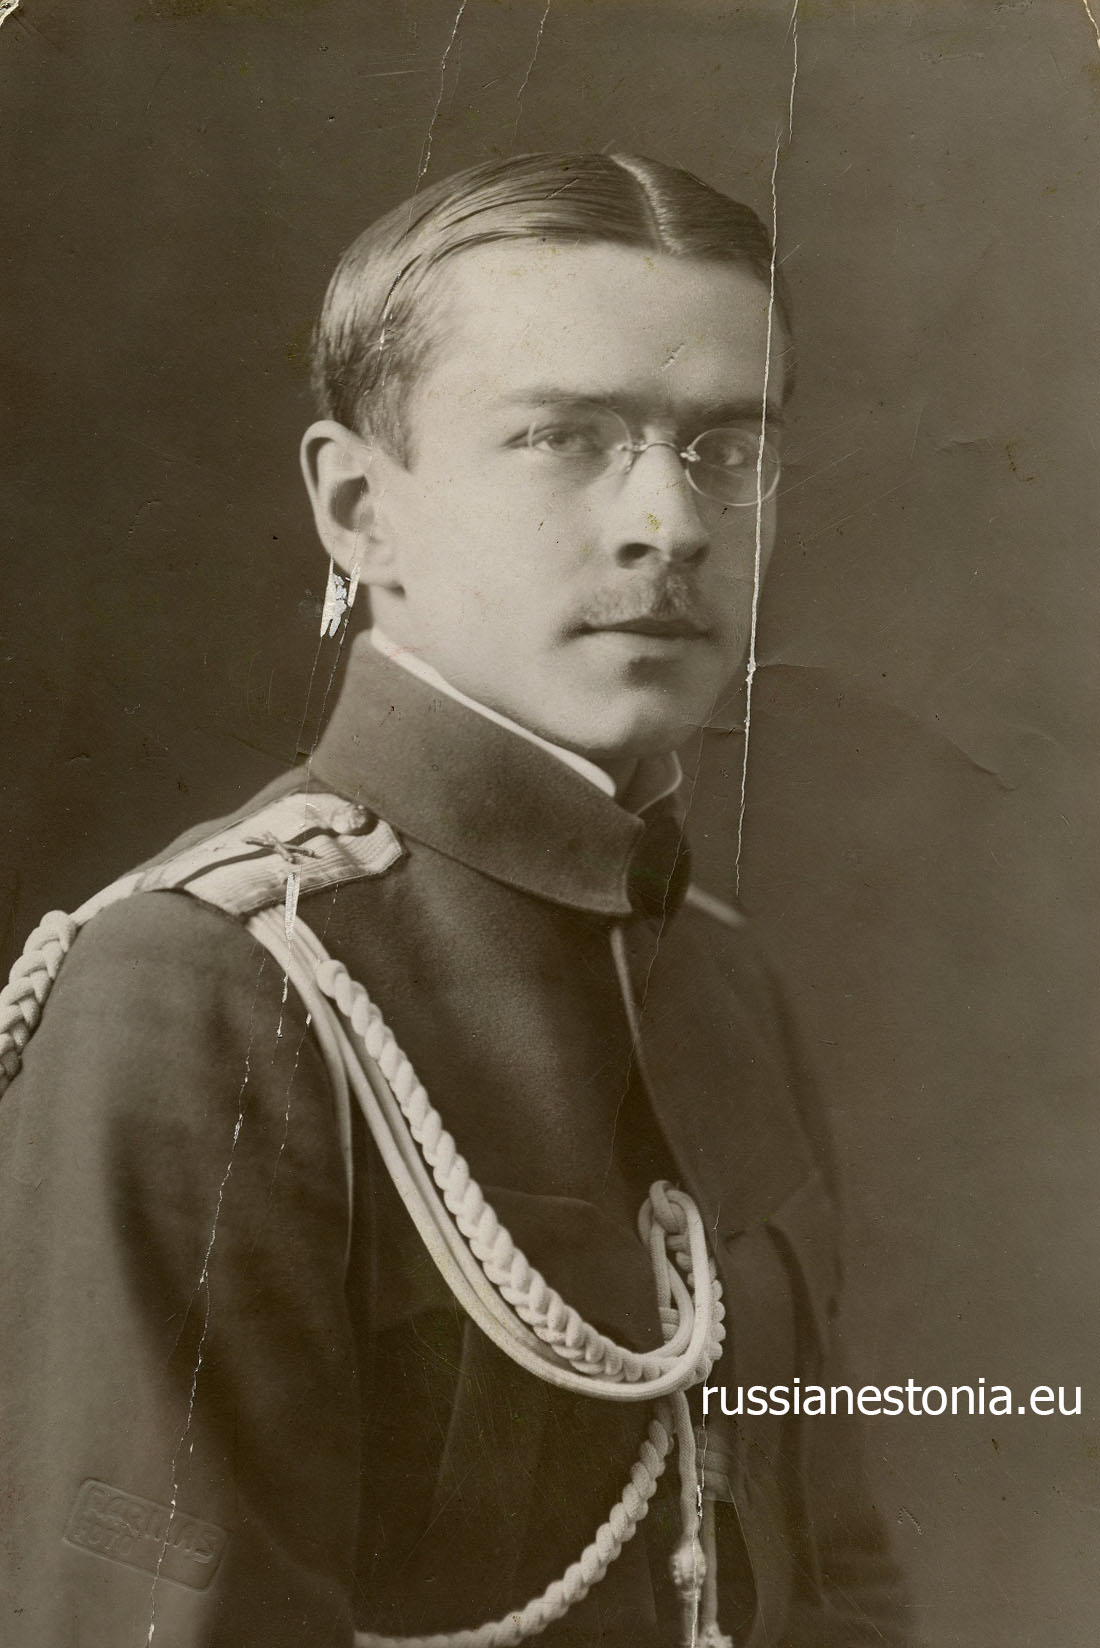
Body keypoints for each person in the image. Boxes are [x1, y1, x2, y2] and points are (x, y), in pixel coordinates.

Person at [0, 153, 911, 1648]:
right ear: (361, 510)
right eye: (564, 437)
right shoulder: (204, 989)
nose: (673, 524)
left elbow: (837, 1586)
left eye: (727, 450)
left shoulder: (724, 978)